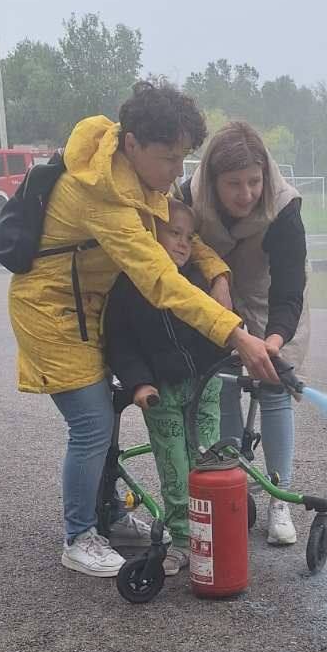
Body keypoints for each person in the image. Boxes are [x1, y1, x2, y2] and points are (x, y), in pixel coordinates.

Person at [8, 80, 278, 579]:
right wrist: (234, 333)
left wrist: (217, 270)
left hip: (96, 309)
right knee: (90, 423)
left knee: (106, 414)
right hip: (53, 313)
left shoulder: (139, 178)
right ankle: (78, 536)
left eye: (184, 158)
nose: (179, 172)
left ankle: (107, 513)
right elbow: (158, 277)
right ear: (131, 144)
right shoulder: (102, 195)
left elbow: (180, 232)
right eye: (170, 159)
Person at [183, 121, 309, 546]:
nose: (246, 194)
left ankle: (279, 498)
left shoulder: (285, 207)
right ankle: (231, 485)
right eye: (233, 184)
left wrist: (272, 343)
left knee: (274, 391)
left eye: (254, 181)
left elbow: (290, 290)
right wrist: (216, 286)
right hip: (208, 302)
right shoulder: (187, 198)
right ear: (213, 181)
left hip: (265, 300)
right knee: (220, 388)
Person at [105, 200, 226, 575]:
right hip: (161, 393)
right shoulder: (127, 287)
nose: (183, 243)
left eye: (189, 236)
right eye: (174, 233)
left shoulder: (196, 282)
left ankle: (215, 533)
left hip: (205, 386)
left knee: (207, 461)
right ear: (147, 234)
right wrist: (139, 383)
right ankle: (181, 536)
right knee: (175, 467)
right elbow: (120, 344)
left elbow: (216, 325)